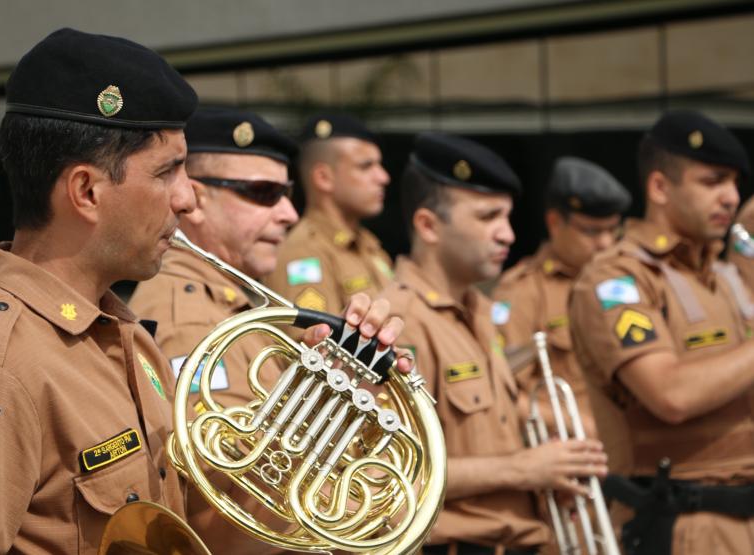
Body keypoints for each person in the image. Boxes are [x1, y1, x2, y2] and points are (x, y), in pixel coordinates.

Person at [0, 30, 402, 555]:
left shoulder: (120, 336)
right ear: (87, 191)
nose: (188, 199)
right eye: (168, 172)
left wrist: (324, 404)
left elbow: (214, 533)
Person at [126, 107, 411, 554]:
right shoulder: (191, 318)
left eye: (288, 193)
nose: (288, 213)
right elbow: (236, 491)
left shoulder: (235, 305)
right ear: (195, 200)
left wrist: (343, 384)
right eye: (263, 193)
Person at [380, 133, 608, 555]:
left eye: (507, 217)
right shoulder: (397, 322)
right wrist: (522, 471)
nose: (507, 234)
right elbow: (385, 478)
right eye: (488, 217)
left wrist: (545, 479)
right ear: (428, 225)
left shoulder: (480, 311)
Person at [568, 110, 754, 555]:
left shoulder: (727, 275)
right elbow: (670, 394)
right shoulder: (616, 280)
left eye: (733, 183)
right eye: (712, 182)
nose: (729, 196)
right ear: (659, 188)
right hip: (680, 526)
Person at [493, 157, 631, 439]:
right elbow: (502, 394)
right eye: (591, 231)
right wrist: (577, 425)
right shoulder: (522, 292)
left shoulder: (629, 280)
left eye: (612, 230)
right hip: (578, 450)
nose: (605, 243)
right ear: (555, 222)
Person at [265, 113, 393, 314]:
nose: (383, 177)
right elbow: (314, 341)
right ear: (323, 177)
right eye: (365, 166)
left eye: (379, 165)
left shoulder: (369, 245)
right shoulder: (302, 254)